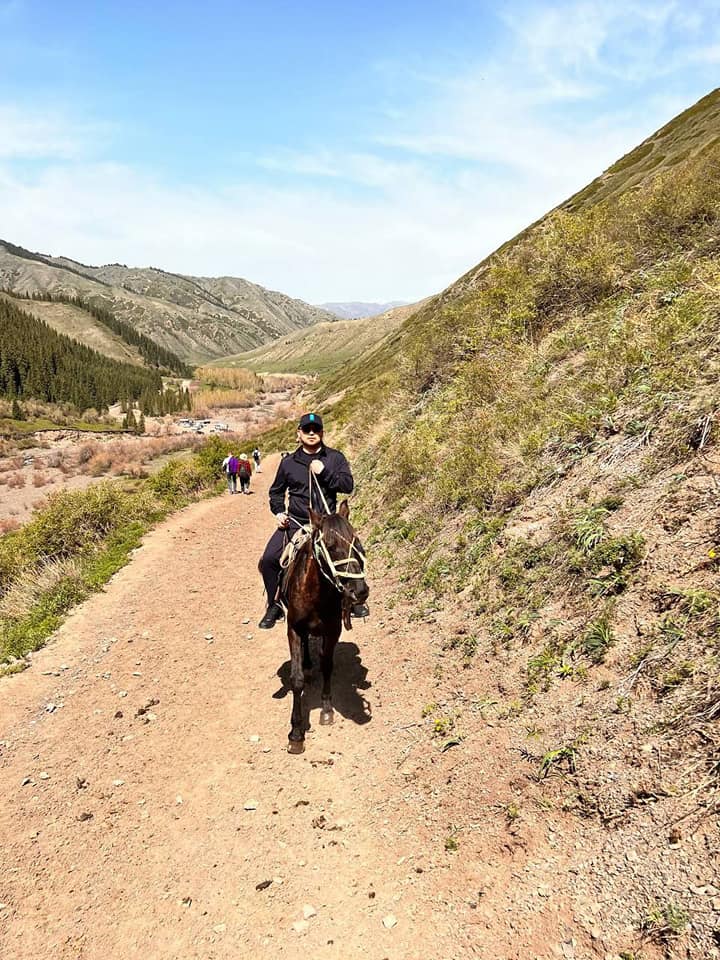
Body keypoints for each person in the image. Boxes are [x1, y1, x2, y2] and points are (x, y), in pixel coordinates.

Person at [258, 412, 369, 628]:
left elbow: (347, 485)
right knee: (269, 560)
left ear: (322, 433)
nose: (311, 433)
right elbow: (276, 492)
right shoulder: (288, 462)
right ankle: (275, 604)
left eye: (316, 430)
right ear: (298, 433)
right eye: (306, 430)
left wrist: (325, 471)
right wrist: (279, 512)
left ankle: (354, 599)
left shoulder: (335, 458)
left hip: (329, 524)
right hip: (297, 523)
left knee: (354, 554)